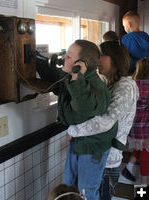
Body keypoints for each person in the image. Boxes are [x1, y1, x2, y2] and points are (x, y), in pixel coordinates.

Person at [36, 39, 118, 200]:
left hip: (93, 146)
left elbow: (83, 106)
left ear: (81, 64)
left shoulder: (95, 85)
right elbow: (55, 77)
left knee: (86, 190)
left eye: (68, 56)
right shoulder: (73, 78)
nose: (64, 58)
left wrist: (76, 77)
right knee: (68, 185)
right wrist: (38, 60)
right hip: (79, 141)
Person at [68, 40, 139, 200]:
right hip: (96, 154)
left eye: (101, 55)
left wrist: (74, 131)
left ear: (115, 58)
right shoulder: (109, 83)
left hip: (106, 161)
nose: (97, 61)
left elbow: (106, 121)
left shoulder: (125, 87)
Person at [122, 58, 149, 185]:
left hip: (133, 126)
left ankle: (129, 168)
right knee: (146, 154)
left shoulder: (132, 84)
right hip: (146, 126)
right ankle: (143, 186)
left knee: (140, 146)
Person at [121, 10, 149, 74]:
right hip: (146, 71)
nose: (124, 28)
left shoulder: (126, 38)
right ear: (139, 23)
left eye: (124, 26)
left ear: (129, 24)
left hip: (133, 72)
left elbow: (123, 57)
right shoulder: (146, 35)